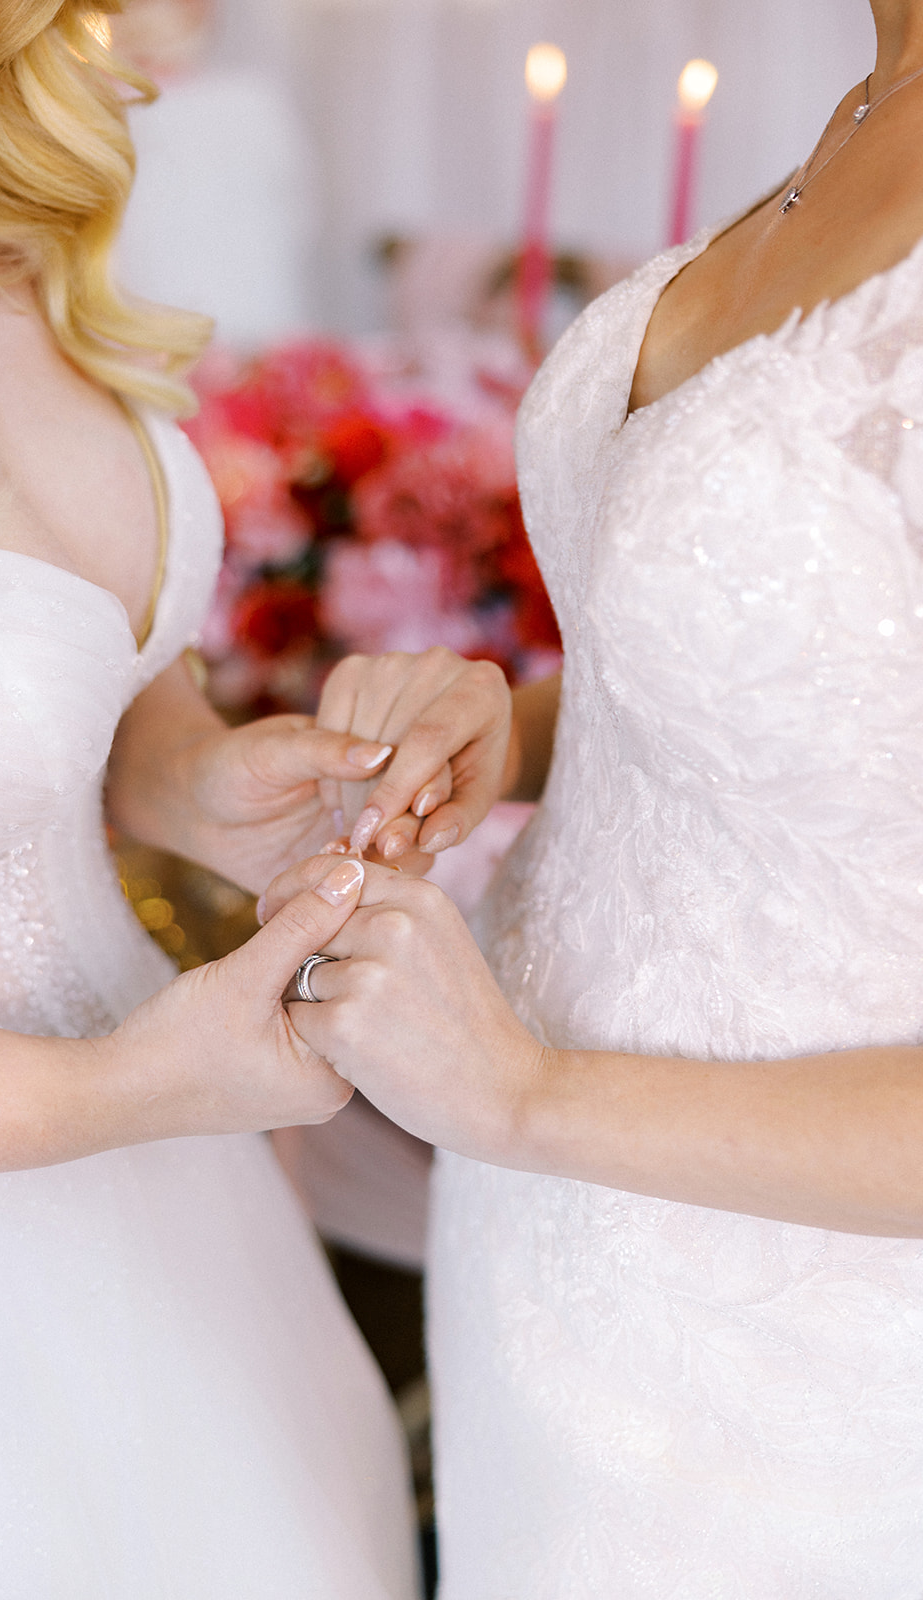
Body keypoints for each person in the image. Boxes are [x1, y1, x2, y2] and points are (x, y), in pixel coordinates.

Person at [0, 2, 515, 1594]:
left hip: (200, 1235)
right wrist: (136, 1089)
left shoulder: (1, 222)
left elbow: (41, 681)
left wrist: (198, 781)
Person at [264, 1, 923, 1590]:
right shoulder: (870, 97)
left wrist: (521, 1098)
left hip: (816, 1366)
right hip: (552, 1288)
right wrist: (532, 727)